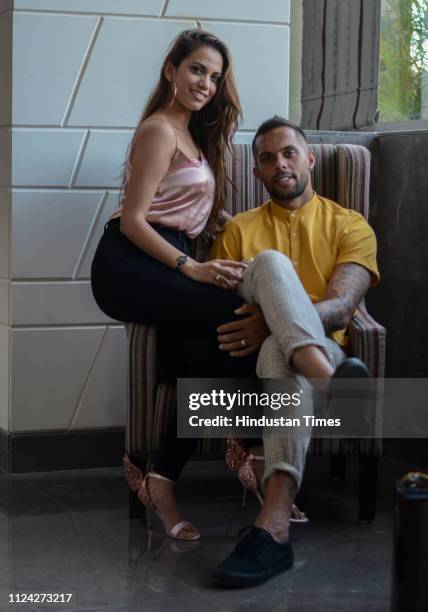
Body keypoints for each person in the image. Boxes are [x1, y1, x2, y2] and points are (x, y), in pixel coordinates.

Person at [91, 28, 258, 542]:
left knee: (205, 355)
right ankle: (248, 438)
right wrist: (191, 268)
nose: (205, 83)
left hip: (165, 258)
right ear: (171, 69)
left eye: (214, 76)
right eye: (196, 70)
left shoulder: (195, 137)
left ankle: (160, 483)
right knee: (234, 313)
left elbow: (188, 214)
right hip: (128, 261)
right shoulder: (158, 130)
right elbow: (136, 220)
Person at [208, 116, 380, 587]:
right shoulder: (238, 232)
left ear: (309, 158)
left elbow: (345, 306)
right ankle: (277, 522)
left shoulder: (351, 225)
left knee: (278, 351)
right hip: (290, 359)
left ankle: (273, 530)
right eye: (267, 159)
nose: (279, 164)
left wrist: (274, 320)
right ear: (258, 173)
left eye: (288, 153)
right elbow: (220, 308)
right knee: (270, 292)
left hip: (328, 344)